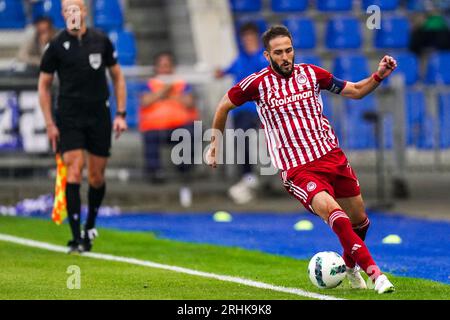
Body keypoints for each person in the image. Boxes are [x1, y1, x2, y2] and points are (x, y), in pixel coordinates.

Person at [207, 25, 396, 294]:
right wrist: (215, 144)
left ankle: (350, 266)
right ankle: (376, 274)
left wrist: (378, 76)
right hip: (299, 169)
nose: (285, 57)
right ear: (267, 55)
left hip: (332, 157)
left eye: (289, 50)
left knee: (361, 220)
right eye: (278, 53)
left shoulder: (311, 74)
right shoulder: (257, 84)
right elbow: (224, 104)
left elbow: (354, 91)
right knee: (336, 214)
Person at [38, 0, 127, 254]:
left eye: (75, 8)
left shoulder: (101, 40)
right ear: (63, 14)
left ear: (84, 11)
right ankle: (76, 237)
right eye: (67, 10)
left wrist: (121, 113)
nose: (72, 13)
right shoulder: (56, 45)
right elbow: (43, 85)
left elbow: (118, 77)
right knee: (74, 169)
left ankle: (90, 226)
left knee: (97, 177)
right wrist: (49, 123)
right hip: (69, 116)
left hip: (99, 114)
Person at [215, 22, 267, 204]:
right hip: (241, 109)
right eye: (245, 38)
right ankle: (247, 176)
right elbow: (226, 71)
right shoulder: (239, 59)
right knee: (240, 135)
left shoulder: (263, 59)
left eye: (250, 37)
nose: (247, 41)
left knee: (243, 133)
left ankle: (250, 176)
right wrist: (219, 72)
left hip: (259, 108)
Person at [139, 52, 198, 206]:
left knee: (189, 133)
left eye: (167, 65)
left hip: (179, 126)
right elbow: (145, 101)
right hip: (156, 127)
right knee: (150, 136)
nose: (165, 68)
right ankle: (155, 173)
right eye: (162, 65)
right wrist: (163, 92)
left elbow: (189, 102)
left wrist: (170, 94)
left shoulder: (181, 83)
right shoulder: (150, 83)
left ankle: (185, 170)